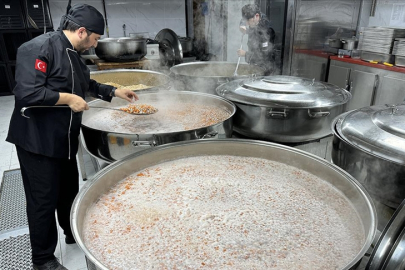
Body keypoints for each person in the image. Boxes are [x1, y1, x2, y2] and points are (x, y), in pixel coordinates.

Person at [6, 4, 138, 270]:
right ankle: (42, 259)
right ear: (81, 31)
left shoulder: (74, 54)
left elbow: (86, 85)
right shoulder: (37, 48)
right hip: (37, 141)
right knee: (43, 201)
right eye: (95, 39)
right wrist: (68, 99)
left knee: (68, 191)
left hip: (63, 137)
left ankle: (70, 232)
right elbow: (27, 93)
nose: (94, 45)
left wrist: (114, 92)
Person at [237, 4, 276, 75]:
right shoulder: (256, 20)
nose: (247, 24)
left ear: (257, 16)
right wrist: (243, 26)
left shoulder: (266, 31)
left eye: (248, 21)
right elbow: (245, 20)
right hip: (254, 66)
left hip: (265, 71)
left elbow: (264, 56)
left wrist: (245, 54)